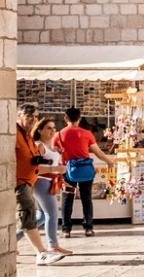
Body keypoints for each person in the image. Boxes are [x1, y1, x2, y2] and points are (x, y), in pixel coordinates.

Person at [16, 104, 64, 265]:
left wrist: (39, 161)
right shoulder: (14, 134)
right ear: (19, 116)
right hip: (20, 182)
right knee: (29, 214)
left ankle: (12, 242)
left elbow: (29, 158)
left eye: (35, 118)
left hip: (30, 181)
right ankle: (43, 253)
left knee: (33, 216)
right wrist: (52, 167)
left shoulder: (27, 136)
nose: (32, 120)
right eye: (29, 117)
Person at [55, 107, 115, 237]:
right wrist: (109, 161)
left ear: (65, 118)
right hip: (85, 170)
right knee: (86, 198)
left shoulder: (59, 135)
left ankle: (66, 230)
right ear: (80, 118)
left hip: (67, 171)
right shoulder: (87, 133)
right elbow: (98, 152)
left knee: (67, 199)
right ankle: (88, 228)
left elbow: (53, 152)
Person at [31, 118, 70, 257]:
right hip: (42, 182)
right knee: (51, 214)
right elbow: (34, 168)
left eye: (53, 128)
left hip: (48, 182)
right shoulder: (39, 146)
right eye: (48, 128)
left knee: (41, 216)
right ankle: (53, 246)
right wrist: (56, 168)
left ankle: (15, 237)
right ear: (40, 130)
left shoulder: (50, 146)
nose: (52, 130)